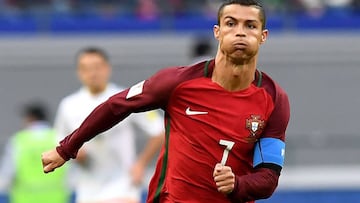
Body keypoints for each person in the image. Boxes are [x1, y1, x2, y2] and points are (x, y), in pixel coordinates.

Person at [42, 1, 290, 202]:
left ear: (263, 36)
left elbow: (268, 177)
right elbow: (117, 105)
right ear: (217, 32)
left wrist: (238, 184)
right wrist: (67, 148)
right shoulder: (176, 83)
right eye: (230, 23)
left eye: (250, 26)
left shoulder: (274, 99)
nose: (240, 32)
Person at [53, 47, 164, 203]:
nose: (93, 73)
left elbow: (159, 131)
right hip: (88, 189)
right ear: (79, 72)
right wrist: (75, 153)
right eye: (86, 69)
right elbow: (59, 139)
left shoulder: (126, 98)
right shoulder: (69, 105)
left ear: (107, 68)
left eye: (97, 67)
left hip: (123, 186)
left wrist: (141, 164)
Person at [0, 102, 70, 203]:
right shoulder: (58, 138)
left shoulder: (18, 140)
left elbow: (7, 173)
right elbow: (72, 171)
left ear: (30, 118)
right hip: (56, 198)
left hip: (25, 199)